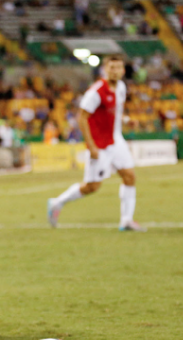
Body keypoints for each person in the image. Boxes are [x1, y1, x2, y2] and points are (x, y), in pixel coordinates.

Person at [47, 54, 145, 231]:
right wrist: (91, 146)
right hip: (100, 145)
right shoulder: (96, 92)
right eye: (111, 68)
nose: (115, 71)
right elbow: (82, 118)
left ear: (123, 70)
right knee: (92, 186)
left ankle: (126, 221)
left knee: (129, 176)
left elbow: (113, 112)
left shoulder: (121, 87)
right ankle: (57, 203)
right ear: (105, 70)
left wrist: (127, 120)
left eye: (118, 68)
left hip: (116, 140)